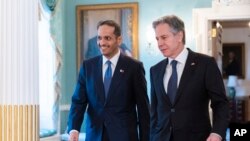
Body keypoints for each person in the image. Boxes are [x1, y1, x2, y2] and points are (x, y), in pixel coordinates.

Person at [150, 15, 229, 141]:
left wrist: (217, 133)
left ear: (179, 36)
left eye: (164, 37)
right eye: (157, 39)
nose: (159, 43)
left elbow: (221, 104)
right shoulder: (155, 70)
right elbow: (154, 109)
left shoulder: (206, 64)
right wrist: (152, 136)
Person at [67, 20, 150, 141]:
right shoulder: (88, 66)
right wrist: (74, 128)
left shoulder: (134, 67)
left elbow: (143, 108)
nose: (102, 42)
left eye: (107, 38)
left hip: (125, 136)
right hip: (95, 135)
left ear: (119, 40)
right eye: (99, 38)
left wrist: (145, 138)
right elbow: (78, 101)